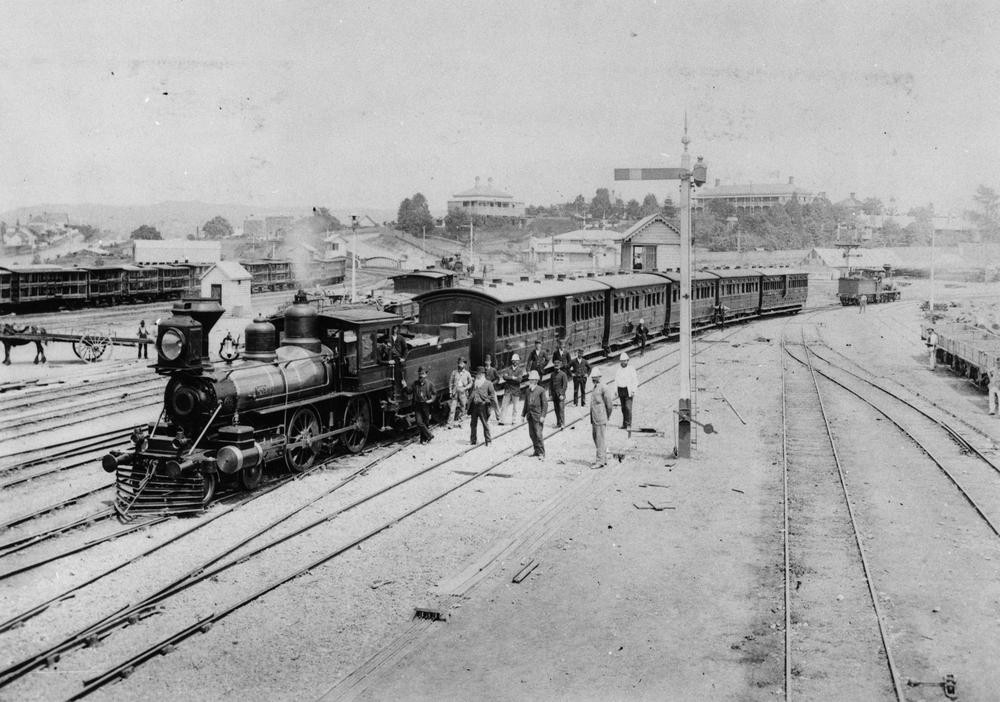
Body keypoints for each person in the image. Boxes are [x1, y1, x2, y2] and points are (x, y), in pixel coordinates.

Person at [589, 367, 615, 468]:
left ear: (599, 377)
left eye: (595, 377)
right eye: (592, 377)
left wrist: (606, 416)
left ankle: (599, 461)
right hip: (595, 417)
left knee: (599, 439)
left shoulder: (604, 387)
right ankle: (603, 459)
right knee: (596, 438)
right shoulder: (595, 387)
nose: (593, 379)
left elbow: (609, 405)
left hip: (600, 417)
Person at [469, 366, 499, 445]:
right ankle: (473, 440)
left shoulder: (488, 383)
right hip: (474, 407)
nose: (477, 376)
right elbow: (471, 393)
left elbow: (492, 396)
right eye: (477, 374)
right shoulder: (475, 383)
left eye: (479, 374)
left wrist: (485, 401)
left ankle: (488, 441)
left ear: (483, 374)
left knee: (485, 424)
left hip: (483, 406)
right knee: (473, 424)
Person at [522, 370, 548, 459]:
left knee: (538, 434)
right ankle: (536, 451)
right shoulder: (527, 391)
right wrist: (522, 414)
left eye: (533, 380)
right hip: (530, 416)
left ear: (536, 381)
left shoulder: (541, 390)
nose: (531, 382)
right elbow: (526, 403)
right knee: (532, 434)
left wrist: (543, 416)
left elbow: (545, 404)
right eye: (530, 380)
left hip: (537, 416)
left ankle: (541, 453)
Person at [411, 366, 437, 444]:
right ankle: (429, 435)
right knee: (419, 422)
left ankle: (423, 440)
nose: (420, 378)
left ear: (425, 376)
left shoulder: (429, 384)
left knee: (426, 423)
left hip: (426, 405)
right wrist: (404, 386)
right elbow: (409, 391)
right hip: (417, 405)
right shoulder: (415, 384)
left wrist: (431, 400)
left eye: (422, 376)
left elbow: (434, 393)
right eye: (419, 376)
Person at [615, 352, 639, 430]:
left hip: (628, 391)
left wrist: (633, 390)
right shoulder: (618, 370)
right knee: (623, 408)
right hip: (621, 390)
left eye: (625, 361)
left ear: (627, 361)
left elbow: (635, 380)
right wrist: (615, 390)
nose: (623, 362)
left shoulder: (631, 369)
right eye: (622, 361)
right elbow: (616, 381)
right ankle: (624, 424)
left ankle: (629, 425)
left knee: (628, 407)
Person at [448, 358, 473, 428]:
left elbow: (471, 383)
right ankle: (450, 424)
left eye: (462, 363)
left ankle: (461, 423)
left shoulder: (467, 373)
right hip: (455, 392)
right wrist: (450, 392)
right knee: (452, 409)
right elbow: (450, 383)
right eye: (459, 363)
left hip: (463, 392)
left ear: (464, 364)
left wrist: (466, 388)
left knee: (463, 408)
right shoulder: (454, 372)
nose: (461, 365)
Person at [499, 353, 523, 424]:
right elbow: (504, 377)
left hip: (515, 391)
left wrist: (509, 378)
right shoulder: (508, 369)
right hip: (508, 390)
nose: (515, 362)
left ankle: (514, 420)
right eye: (514, 360)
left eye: (516, 360)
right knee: (504, 406)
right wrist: (512, 377)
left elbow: (519, 380)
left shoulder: (520, 370)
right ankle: (502, 420)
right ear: (512, 361)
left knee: (515, 407)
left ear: (518, 361)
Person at [549, 357, 569, 428]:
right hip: (554, 396)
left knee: (561, 409)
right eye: (555, 366)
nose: (556, 367)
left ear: (560, 366)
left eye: (557, 366)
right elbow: (550, 385)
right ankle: (558, 423)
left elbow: (565, 385)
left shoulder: (563, 374)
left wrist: (562, 394)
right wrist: (550, 395)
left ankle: (563, 423)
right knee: (556, 410)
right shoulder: (552, 374)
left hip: (560, 396)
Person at [483, 354, 502, 422]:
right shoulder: (483, 370)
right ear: (485, 362)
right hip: (485, 391)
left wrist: (492, 383)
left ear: (490, 362)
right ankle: (487, 417)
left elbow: (498, 379)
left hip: (492, 390)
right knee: (486, 405)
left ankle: (498, 417)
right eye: (486, 361)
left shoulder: (493, 370)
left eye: (488, 361)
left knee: (495, 403)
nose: (487, 363)